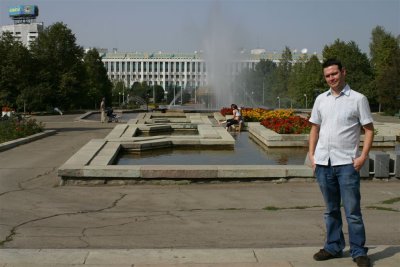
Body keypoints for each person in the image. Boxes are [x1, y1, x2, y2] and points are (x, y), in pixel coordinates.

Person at [308, 58, 374, 267]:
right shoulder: (321, 99)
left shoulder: (358, 99)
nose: (331, 79)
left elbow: (369, 129)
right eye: (327, 76)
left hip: (347, 163)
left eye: (334, 74)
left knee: (352, 212)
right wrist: (311, 154)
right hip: (323, 163)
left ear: (343, 72)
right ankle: (333, 246)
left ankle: (358, 251)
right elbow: (314, 128)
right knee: (331, 210)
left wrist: (362, 156)